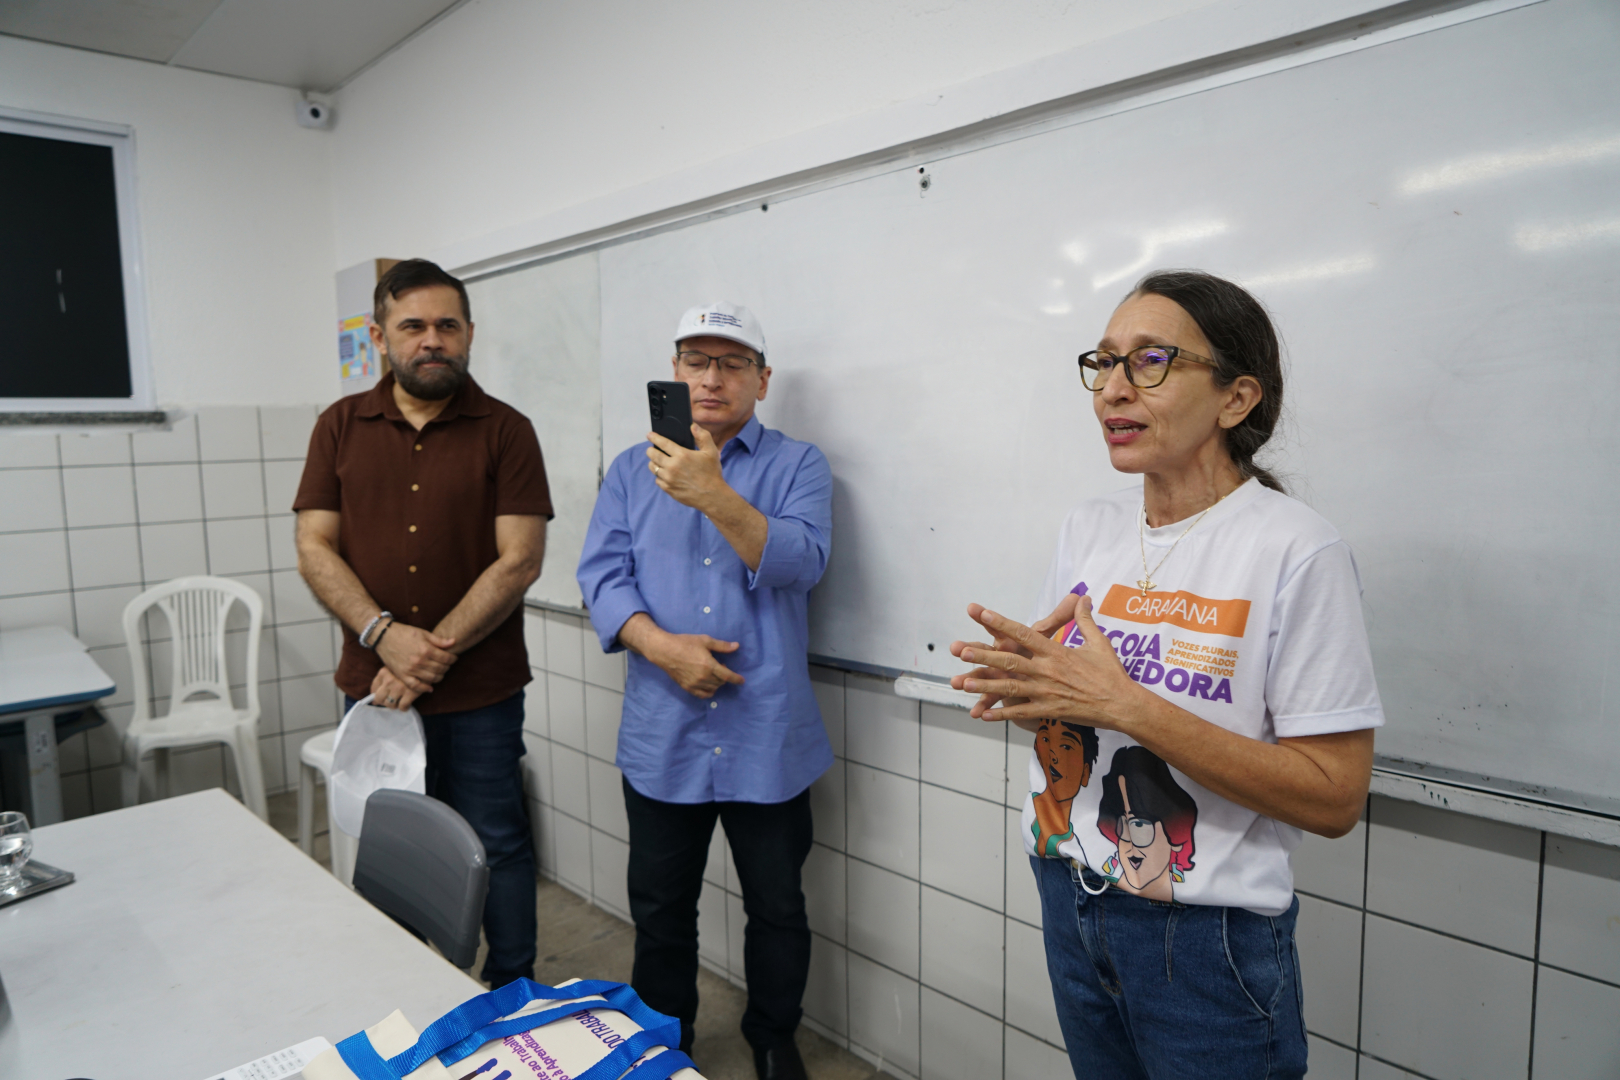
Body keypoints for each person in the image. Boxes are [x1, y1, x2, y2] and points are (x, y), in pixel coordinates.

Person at [950, 269, 1382, 1079]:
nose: (1111, 389)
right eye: (1103, 362)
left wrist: (1129, 707)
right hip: (1070, 892)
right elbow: (1076, 705)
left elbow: (1333, 797)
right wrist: (1029, 688)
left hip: (1204, 938)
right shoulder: (1090, 527)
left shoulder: (1295, 549)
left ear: (1236, 398)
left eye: (1149, 362)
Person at [576, 302, 832, 1080]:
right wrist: (661, 647)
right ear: (673, 372)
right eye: (695, 360)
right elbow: (601, 577)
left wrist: (711, 489)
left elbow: (801, 562)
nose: (711, 378)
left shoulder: (799, 466)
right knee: (659, 911)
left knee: (778, 909)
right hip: (665, 731)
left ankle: (773, 1036)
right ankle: (666, 1043)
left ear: (761, 379)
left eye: (730, 363)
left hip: (768, 732)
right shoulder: (628, 470)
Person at [293, 258, 551, 989]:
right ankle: (402, 987)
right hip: (372, 687)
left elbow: (521, 560)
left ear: (470, 333)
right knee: (393, 844)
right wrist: (383, 636)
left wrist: (425, 652)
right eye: (413, 326)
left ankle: (513, 992)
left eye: (447, 325)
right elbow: (314, 546)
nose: (431, 339)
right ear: (380, 336)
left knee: (496, 841)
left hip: (483, 691)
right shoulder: (338, 427)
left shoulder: (508, 431)